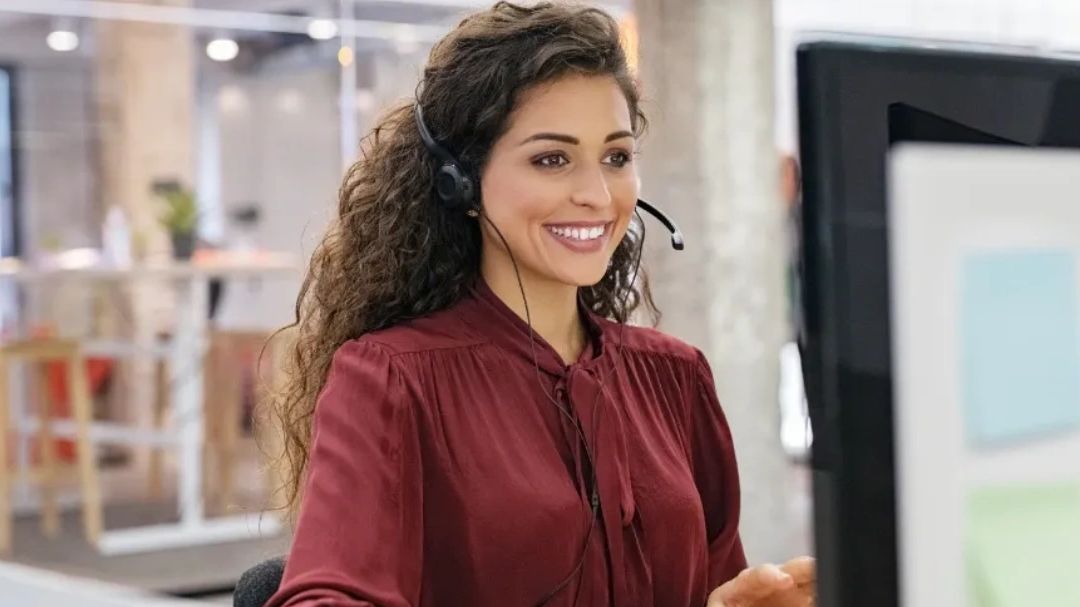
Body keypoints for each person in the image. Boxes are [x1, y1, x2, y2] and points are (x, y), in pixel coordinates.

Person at [264, 3, 814, 606]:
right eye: (551, 159)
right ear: (462, 183)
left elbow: (715, 580)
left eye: (616, 157)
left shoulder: (674, 377)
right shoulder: (393, 379)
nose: (596, 194)